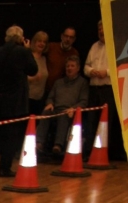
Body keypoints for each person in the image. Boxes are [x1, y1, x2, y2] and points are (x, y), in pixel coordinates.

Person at [0, 26, 38, 177]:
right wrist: (28, 50)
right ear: (21, 38)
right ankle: (4, 168)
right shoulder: (23, 52)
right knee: (11, 136)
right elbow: (33, 70)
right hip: (15, 101)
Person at [84, 20, 124, 161]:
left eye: (103, 28)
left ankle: (104, 153)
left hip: (108, 89)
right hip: (94, 89)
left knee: (106, 121)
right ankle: (89, 152)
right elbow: (86, 66)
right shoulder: (94, 46)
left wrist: (106, 72)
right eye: (99, 29)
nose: (101, 31)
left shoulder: (116, 47)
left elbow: (121, 67)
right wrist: (91, 71)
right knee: (91, 121)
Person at [38, 55, 89, 160]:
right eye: (67, 66)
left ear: (78, 68)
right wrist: (50, 103)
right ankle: (39, 143)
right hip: (55, 109)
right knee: (46, 113)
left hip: (69, 111)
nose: (69, 68)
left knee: (63, 115)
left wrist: (74, 108)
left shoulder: (82, 83)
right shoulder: (58, 82)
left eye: (72, 66)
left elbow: (83, 101)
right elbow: (50, 97)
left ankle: (58, 145)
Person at [27, 31, 50, 115]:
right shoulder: (28, 56)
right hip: (27, 99)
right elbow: (20, 76)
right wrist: (33, 78)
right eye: (39, 41)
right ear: (34, 42)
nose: (42, 44)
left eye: (44, 42)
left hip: (40, 100)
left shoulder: (44, 59)